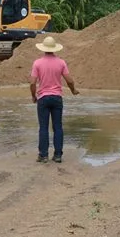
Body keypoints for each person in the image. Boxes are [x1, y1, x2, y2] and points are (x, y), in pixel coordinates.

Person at [29, 35, 78, 163]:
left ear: (43, 49)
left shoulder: (37, 63)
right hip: (57, 98)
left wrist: (33, 96)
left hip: (43, 98)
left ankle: (43, 155)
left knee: (43, 127)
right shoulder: (61, 62)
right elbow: (69, 80)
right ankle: (57, 155)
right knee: (58, 127)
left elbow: (32, 83)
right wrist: (73, 90)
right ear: (55, 49)